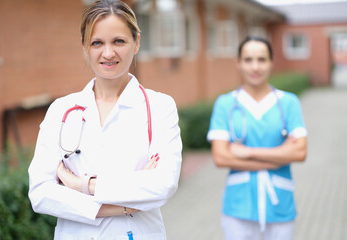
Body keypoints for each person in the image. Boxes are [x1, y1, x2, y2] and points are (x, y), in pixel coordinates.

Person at [28, 0, 182, 239]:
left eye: (118, 41)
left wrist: (82, 185)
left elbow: (163, 184)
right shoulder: (61, 110)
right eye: (97, 42)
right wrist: (116, 207)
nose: (108, 53)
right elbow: (40, 193)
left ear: (137, 42)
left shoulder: (160, 107)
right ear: (85, 48)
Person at [207, 36, 307, 240]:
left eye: (262, 59)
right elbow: (221, 158)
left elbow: (300, 152)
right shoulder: (225, 104)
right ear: (238, 63)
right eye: (248, 59)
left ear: (272, 62)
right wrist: (279, 156)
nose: (255, 67)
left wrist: (247, 152)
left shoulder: (288, 103)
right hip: (238, 209)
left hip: (280, 204)